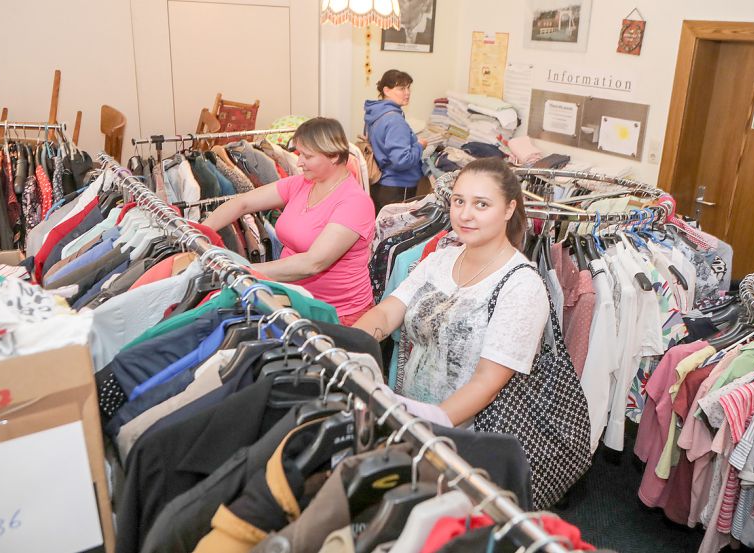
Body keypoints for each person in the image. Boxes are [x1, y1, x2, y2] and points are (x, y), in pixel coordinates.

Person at [354, 158, 549, 426]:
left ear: (508, 209)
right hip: (410, 418)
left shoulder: (522, 286)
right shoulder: (439, 259)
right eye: (459, 201)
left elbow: (487, 382)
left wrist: (428, 426)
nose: (465, 214)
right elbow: (387, 313)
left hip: (461, 435)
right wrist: (348, 348)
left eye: (481, 204)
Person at [202, 117, 375, 325]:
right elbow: (243, 203)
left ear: (334, 156)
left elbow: (314, 262)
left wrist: (245, 272)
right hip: (294, 301)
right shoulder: (302, 183)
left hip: (339, 314)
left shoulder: (355, 203)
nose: (299, 162)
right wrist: (200, 231)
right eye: (299, 153)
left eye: (307, 156)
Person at [364, 69, 427, 213]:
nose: (407, 92)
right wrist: (419, 146)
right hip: (398, 186)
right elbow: (401, 161)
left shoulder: (375, 114)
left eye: (408, 88)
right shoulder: (395, 120)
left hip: (380, 184)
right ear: (386, 90)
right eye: (401, 88)